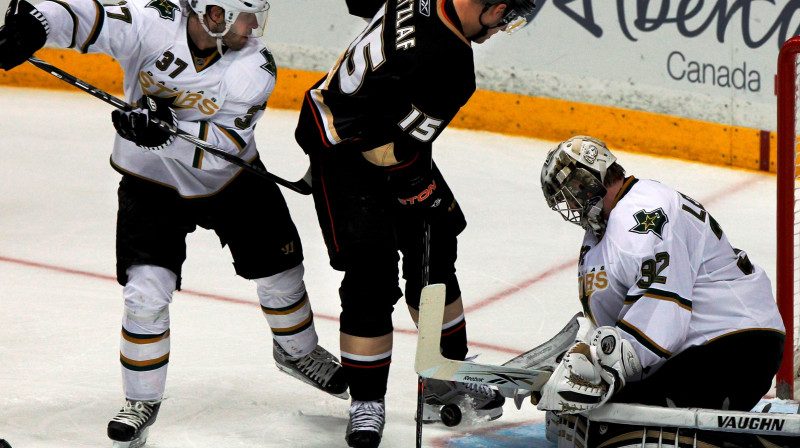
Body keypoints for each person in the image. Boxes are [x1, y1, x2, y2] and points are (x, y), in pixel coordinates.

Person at [0, 0, 348, 446]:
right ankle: (140, 400)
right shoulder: (152, 22)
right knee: (145, 292)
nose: (253, 26)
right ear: (211, 13)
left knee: (282, 273)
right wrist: (36, 24)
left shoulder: (255, 64)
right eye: (245, 15)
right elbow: (90, 18)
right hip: (151, 183)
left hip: (232, 178)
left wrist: (162, 131)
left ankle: (297, 353)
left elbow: (224, 144)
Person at [292, 0, 536, 446]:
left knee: (437, 242)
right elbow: (394, 155)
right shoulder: (452, 64)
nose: (501, 29)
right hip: (346, 152)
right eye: (506, 19)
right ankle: (367, 402)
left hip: (371, 129)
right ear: (495, 6)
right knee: (370, 272)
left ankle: (447, 376)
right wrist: (418, 192)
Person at [536, 135, 785, 416]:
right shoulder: (604, 230)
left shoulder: (643, 213)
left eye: (571, 193)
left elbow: (664, 310)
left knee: (616, 415)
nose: (570, 206)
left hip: (736, 347)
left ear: (590, 181)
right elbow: (619, 320)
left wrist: (604, 372)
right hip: (696, 348)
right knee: (594, 412)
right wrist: (584, 363)